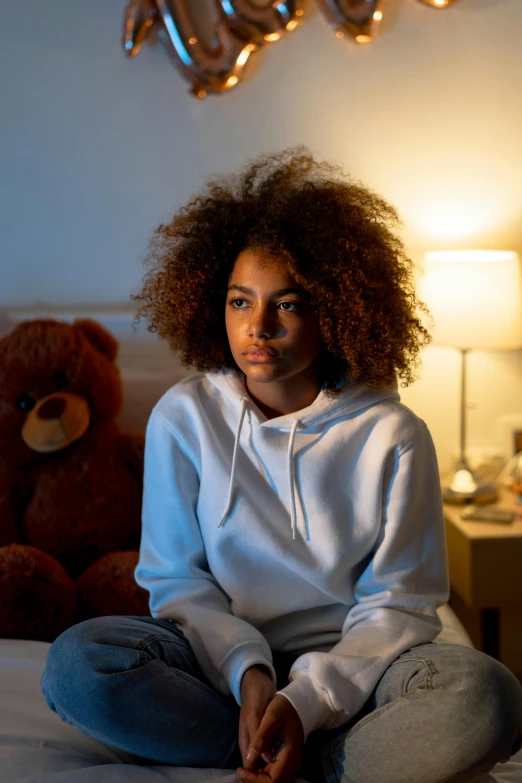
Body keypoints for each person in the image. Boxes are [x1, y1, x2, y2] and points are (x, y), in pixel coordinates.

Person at [40, 148, 522, 783]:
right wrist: (253, 677)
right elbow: (177, 582)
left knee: (489, 695)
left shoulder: (394, 434)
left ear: (337, 310)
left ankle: (300, 754)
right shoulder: (183, 418)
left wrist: (307, 702)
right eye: (241, 302)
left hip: (361, 671)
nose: (258, 327)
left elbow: (400, 603)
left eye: (288, 305)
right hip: (220, 669)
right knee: (77, 664)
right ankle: (272, 750)